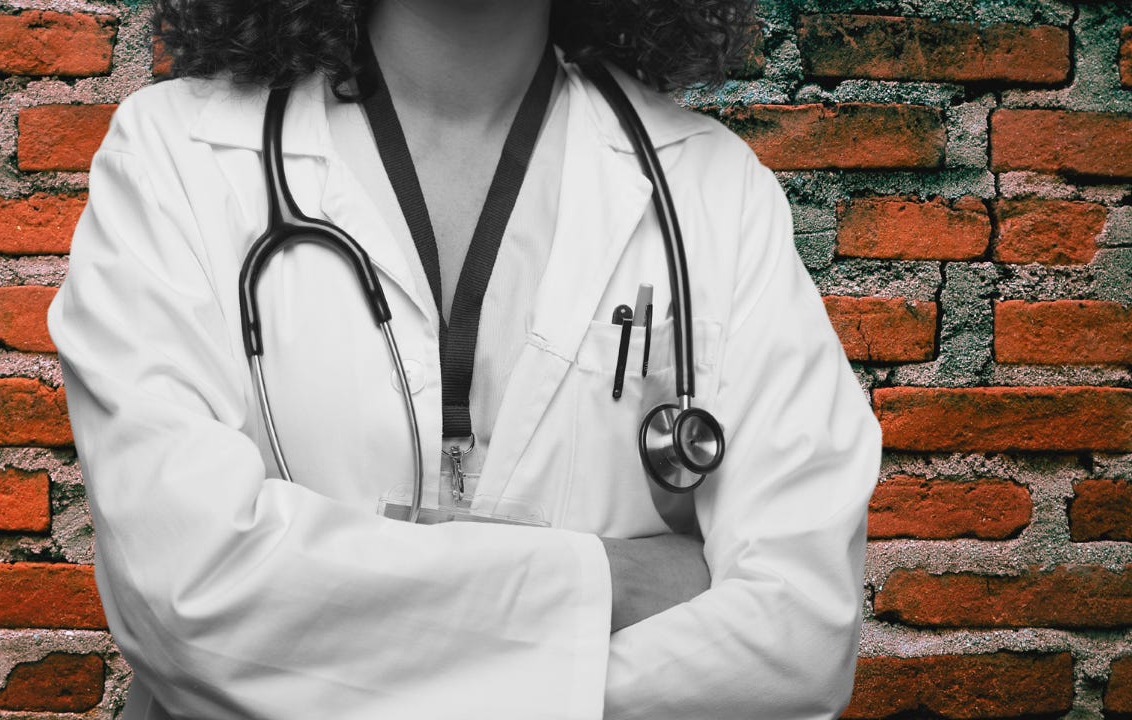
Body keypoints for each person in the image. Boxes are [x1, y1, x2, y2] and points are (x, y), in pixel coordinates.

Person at [46, 0, 882, 717]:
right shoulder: (177, 157)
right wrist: (607, 583)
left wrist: (327, 647)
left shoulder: (714, 191)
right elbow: (190, 594)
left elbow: (797, 640)